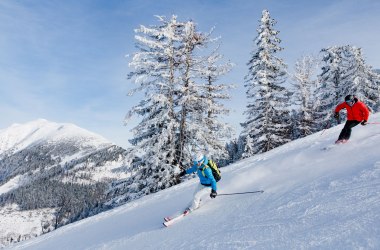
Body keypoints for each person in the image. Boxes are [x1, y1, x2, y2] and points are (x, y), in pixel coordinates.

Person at [173, 153, 217, 218]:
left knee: (197, 196)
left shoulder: (207, 169)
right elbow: (191, 170)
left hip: (209, 186)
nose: (195, 164)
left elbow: (213, 180)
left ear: (201, 161)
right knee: (195, 195)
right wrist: (183, 173)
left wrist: (214, 191)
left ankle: (193, 208)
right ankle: (197, 202)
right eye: (194, 162)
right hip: (202, 184)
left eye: (196, 162)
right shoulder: (198, 166)